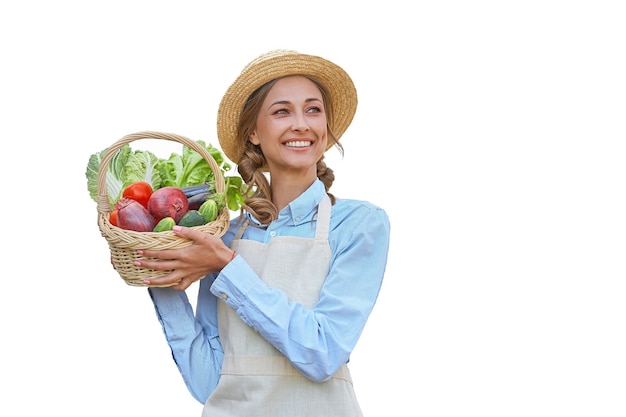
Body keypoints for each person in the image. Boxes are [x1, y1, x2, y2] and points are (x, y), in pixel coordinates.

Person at [134, 49, 391, 417]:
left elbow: (323, 352)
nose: (301, 124)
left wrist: (228, 268)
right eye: (282, 111)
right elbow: (210, 383)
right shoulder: (224, 235)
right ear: (253, 132)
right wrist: (158, 266)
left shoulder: (357, 224)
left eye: (313, 109)